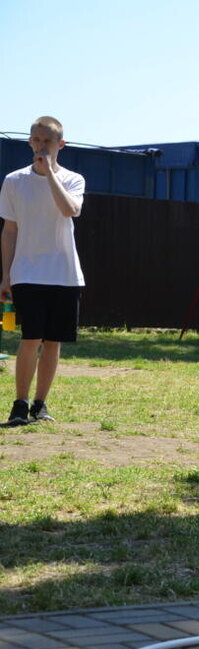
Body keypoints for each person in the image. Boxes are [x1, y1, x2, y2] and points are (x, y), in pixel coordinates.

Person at [1, 117, 86, 427]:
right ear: (29, 142)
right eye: (36, 140)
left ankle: (40, 404)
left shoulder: (74, 179)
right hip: (27, 272)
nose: (41, 145)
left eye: (48, 141)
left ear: (60, 145)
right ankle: (19, 404)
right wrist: (6, 275)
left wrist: (49, 173)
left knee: (53, 341)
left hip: (64, 274)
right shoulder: (14, 181)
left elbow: (69, 210)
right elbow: (9, 231)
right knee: (31, 337)